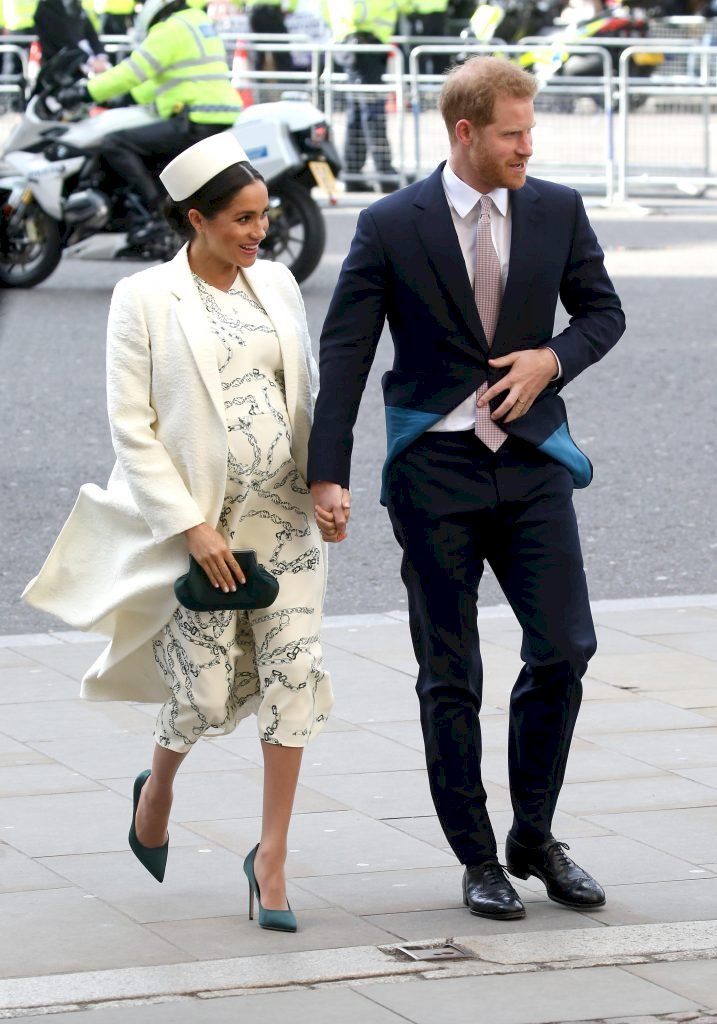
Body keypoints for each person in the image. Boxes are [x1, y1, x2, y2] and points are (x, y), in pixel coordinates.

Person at [308, 56, 625, 920]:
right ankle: (478, 857)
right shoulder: (389, 224)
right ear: (465, 133)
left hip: (529, 466)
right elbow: (345, 351)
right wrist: (326, 470)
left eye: (531, 131)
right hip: (433, 472)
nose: (530, 146)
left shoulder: (555, 207)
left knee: (564, 647)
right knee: (450, 675)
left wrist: (551, 359)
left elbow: (603, 311)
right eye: (513, 133)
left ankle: (533, 834)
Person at [24, 131, 338, 932]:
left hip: (285, 517)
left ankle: (270, 858)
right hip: (206, 529)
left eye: (263, 216)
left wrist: (327, 482)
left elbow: (306, 394)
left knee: (293, 674)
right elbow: (132, 426)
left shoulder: (276, 286)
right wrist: (192, 527)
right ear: (195, 219)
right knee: (198, 695)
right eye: (240, 219)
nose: (258, 233)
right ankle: (157, 787)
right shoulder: (143, 298)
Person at [57, 0, 244, 245]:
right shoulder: (198, 22)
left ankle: (157, 213)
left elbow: (132, 71)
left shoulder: (170, 29)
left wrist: (87, 92)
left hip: (194, 118)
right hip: (219, 114)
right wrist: (127, 98)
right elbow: (166, 78)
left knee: (115, 143)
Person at [326, 0, 400, 192]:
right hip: (363, 45)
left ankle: (353, 172)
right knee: (372, 113)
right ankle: (384, 173)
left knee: (358, 114)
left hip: (357, 45)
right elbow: (357, 12)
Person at [34, 0, 108, 68]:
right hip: (61, 65)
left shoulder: (75, 5)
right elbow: (62, 40)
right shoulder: (47, 7)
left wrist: (100, 56)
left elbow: (91, 34)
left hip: (85, 60)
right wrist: (91, 61)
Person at [243, 0, 297, 76]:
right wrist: (291, 7)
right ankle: (286, 85)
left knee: (257, 56)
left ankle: (257, 85)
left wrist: (242, 5)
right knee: (281, 54)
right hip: (273, 12)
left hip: (255, 12)